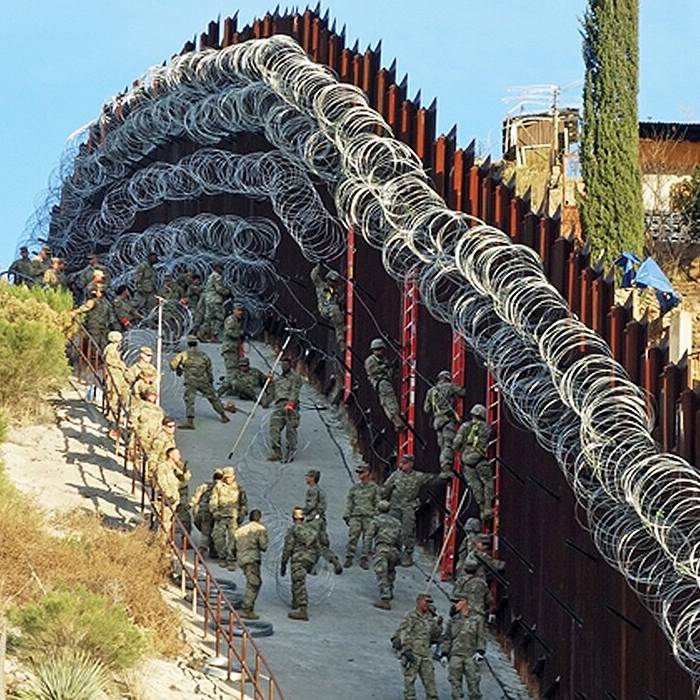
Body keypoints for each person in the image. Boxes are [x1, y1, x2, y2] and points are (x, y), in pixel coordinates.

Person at [381, 454, 450, 566]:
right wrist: (382, 503)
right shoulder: (395, 476)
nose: (401, 465)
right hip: (395, 507)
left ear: (411, 464)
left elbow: (433, 479)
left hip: (408, 508)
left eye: (404, 463)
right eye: (401, 462)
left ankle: (407, 555)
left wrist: (444, 476)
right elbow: (385, 489)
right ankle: (393, 554)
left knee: (408, 532)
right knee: (392, 530)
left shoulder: (418, 476)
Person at [169, 336, 232, 429]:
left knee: (189, 400)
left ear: (188, 344)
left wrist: (178, 368)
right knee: (213, 398)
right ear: (196, 344)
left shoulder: (183, 354)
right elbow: (209, 369)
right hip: (203, 380)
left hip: (190, 381)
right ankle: (223, 415)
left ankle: (190, 422)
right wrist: (210, 380)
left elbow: (172, 364)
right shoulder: (203, 355)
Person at [391, 594, 443, 700]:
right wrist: (406, 649)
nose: (427, 604)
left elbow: (435, 637)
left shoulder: (430, 618)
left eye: (429, 602)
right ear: (418, 602)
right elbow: (404, 632)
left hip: (425, 654)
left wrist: (439, 625)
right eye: (426, 602)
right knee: (409, 681)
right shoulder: (411, 616)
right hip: (412, 653)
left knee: (430, 682)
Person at [453, 404, 495, 519]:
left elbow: (456, 443)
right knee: (487, 481)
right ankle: (488, 507)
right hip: (479, 457)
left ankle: (481, 509)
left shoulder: (465, 426)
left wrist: (460, 450)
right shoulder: (486, 428)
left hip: (466, 459)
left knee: (475, 485)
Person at [441, 596, 486, 700]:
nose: (455, 605)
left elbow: (481, 636)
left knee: (474, 683)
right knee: (455, 683)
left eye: (457, 602)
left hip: (471, 655)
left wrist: (480, 651)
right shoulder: (453, 620)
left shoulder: (477, 619)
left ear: (464, 602)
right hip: (455, 654)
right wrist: (444, 653)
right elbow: (447, 638)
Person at [280, 506, 320, 621]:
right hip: (310, 558)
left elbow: (288, 548)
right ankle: (295, 602)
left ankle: (303, 609)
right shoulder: (311, 529)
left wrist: (283, 563)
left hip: (298, 558)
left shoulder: (293, 530)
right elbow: (318, 548)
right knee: (298, 579)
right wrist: (313, 563)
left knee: (298, 581)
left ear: (293, 518)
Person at [423, 370, 466, 472]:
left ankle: (443, 467)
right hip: (447, 419)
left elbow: (426, 409)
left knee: (442, 446)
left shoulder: (431, 391)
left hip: (437, 421)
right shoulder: (449, 386)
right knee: (448, 444)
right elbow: (462, 392)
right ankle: (447, 467)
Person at [303, 470, 343, 575]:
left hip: (313, 520)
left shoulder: (312, 490)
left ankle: (310, 567)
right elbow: (322, 506)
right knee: (323, 544)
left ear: (313, 478)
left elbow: (311, 505)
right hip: (321, 519)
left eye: (308, 476)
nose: (306, 478)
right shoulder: (321, 491)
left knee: (311, 544)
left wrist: (302, 512)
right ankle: (335, 562)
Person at [234, 509, 269, 620]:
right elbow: (264, 546)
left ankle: (248, 604)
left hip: (241, 559)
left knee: (251, 581)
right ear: (259, 518)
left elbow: (232, 547)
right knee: (254, 583)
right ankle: (247, 609)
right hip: (252, 559)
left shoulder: (240, 530)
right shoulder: (260, 529)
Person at [343, 464, 379, 568]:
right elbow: (350, 501)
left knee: (367, 539)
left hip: (369, 516)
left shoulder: (374, 488)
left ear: (367, 473)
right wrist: (347, 515)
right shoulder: (355, 488)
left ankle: (364, 558)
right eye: (358, 472)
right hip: (356, 515)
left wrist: (376, 516)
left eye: (361, 472)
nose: (359, 475)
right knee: (353, 536)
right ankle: (349, 557)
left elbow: (377, 503)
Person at [368, 500, 402, 609]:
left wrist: (367, 552)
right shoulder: (397, 522)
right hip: (394, 550)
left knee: (381, 572)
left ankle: (385, 598)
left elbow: (369, 537)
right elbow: (400, 540)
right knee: (390, 571)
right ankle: (390, 591)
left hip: (382, 548)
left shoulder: (376, 521)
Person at [268, 357, 302, 462]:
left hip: (290, 405)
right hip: (279, 405)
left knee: (290, 429)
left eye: (286, 364)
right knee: (274, 427)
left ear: (290, 365)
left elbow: (295, 391)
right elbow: (272, 393)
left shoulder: (295, 377)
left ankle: (290, 451)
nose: (284, 366)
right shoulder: (278, 379)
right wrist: (269, 382)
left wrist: (291, 403)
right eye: (282, 364)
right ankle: (277, 452)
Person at [364, 338, 403, 431]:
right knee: (389, 401)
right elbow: (374, 371)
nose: (380, 352)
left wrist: (393, 368)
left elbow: (389, 373)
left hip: (385, 381)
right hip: (381, 383)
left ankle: (397, 422)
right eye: (378, 349)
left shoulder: (383, 359)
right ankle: (398, 422)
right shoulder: (370, 360)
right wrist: (387, 366)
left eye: (381, 349)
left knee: (387, 402)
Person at [210, 467, 240, 570]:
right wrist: (214, 511)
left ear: (233, 477)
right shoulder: (218, 487)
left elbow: (243, 503)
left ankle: (231, 559)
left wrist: (242, 512)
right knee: (217, 536)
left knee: (233, 538)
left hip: (233, 517)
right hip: (221, 516)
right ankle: (222, 556)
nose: (227, 479)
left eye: (229, 477)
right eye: (225, 477)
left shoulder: (238, 488)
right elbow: (213, 501)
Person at [310, 263, 346, 351]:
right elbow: (313, 276)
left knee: (337, 316)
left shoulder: (336, 291)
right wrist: (319, 265)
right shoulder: (321, 285)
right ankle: (341, 340)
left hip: (334, 310)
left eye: (334, 281)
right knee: (335, 310)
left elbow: (338, 301)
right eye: (331, 280)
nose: (332, 283)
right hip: (325, 309)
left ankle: (341, 340)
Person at [191, 468, 223, 558]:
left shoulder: (204, 486)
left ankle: (208, 551)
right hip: (214, 512)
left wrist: (193, 510)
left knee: (206, 532)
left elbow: (195, 498)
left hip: (203, 512)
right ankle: (204, 551)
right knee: (213, 532)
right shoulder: (222, 488)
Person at [452, 558, 493, 623]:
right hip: (479, 614)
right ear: (476, 570)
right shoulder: (482, 583)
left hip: (463, 612)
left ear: (465, 569)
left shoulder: (460, 581)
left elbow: (454, 595)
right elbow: (489, 600)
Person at [154, 447, 183, 537]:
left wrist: (184, 470)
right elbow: (161, 483)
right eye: (177, 454)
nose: (179, 456)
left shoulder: (175, 467)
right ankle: (160, 545)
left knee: (168, 523)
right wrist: (167, 496)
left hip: (174, 499)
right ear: (170, 455)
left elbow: (183, 479)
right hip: (166, 500)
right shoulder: (163, 467)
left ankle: (160, 543)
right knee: (164, 523)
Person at [103, 330, 127, 425]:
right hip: (113, 373)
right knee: (113, 393)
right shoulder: (111, 349)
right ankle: (112, 414)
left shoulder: (114, 348)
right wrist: (121, 365)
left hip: (116, 373)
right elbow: (109, 360)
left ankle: (114, 413)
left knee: (118, 392)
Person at [201, 263, 229, 341]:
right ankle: (214, 335)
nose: (222, 271)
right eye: (221, 269)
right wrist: (227, 292)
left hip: (209, 299)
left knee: (209, 318)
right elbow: (219, 289)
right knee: (219, 317)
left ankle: (202, 334)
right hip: (215, 300)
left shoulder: (210, 276)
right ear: (217, 268)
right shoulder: (217, 276)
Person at [221, 303, 247, 385]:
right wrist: (239, 334)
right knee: (231, 368)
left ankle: (232, 385)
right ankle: (227, 386)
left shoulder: (238, 320)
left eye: (241, 311)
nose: (240, 312)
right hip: (229, 348)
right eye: (238, 310)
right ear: (233, 311)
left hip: (235, 347)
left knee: (236, 367)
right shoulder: (230, 320)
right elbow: (229, 332)